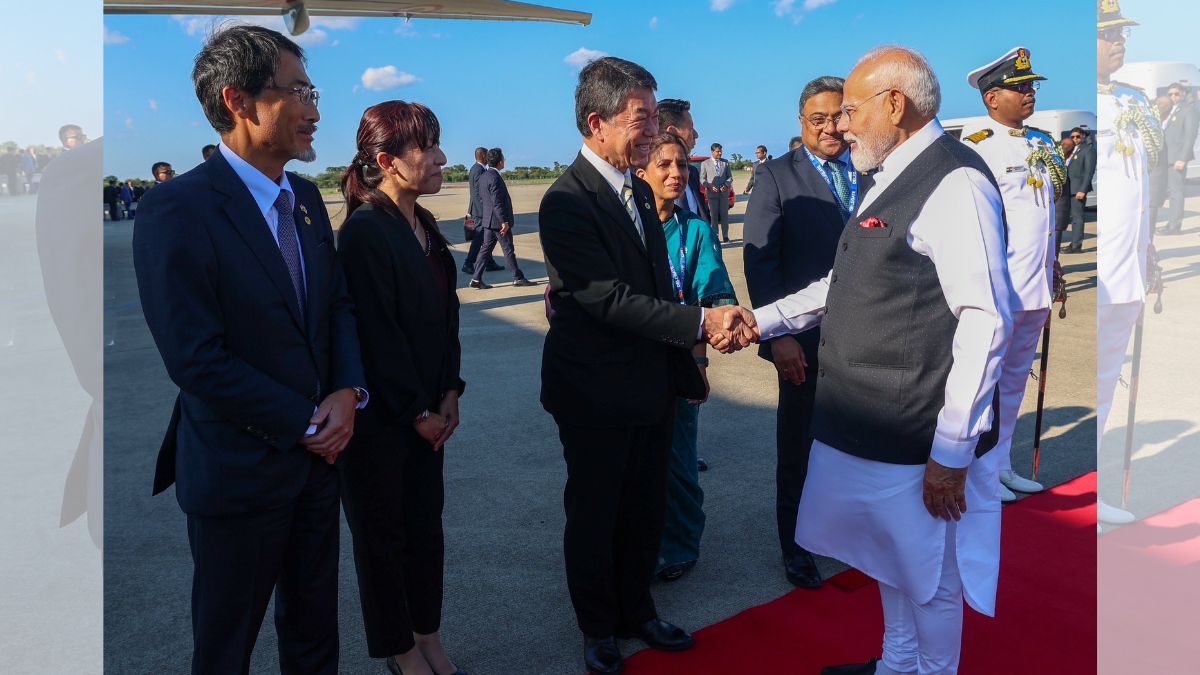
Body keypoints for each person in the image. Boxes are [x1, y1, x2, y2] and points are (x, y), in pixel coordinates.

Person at [752, 46, 1013, 674]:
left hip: (917, 431)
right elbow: (845, 283)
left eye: (850, 111)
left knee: (931, 577)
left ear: (894, 104)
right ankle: (898, 665)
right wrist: (760, 320)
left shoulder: (954, 182)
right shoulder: (892, 172)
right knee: (891, 562)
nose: (842, 125)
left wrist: (951, 452)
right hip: (872, 422)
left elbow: (987, 319)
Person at [131, 25, 368, 673]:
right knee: (225, 645)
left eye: (312, 91)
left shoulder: (308, 201)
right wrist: (304, 421)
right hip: (239, 473)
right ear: (239, 101)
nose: (315, 111)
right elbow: (195, 357)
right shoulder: (176, 210)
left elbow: (336, 307)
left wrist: (348, 389)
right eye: (299, 92)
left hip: (319, 467)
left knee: (316, 635)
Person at [538, 55, 756, 675]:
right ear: (596, 121)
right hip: (596, 391)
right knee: (596, 511)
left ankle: (638, 608)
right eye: (642, 118)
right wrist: (699, 324)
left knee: (644, 507)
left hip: (651, 384)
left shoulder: (637, 188)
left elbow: (660, 286)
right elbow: (604, 298)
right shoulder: (565, 202)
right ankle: (598, 627)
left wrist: (691, 351)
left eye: (657, 115)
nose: (654, 130)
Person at [336, 100, 468, 675]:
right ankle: (398, 647)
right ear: (387, 161)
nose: (441, 158)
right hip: (383, 423)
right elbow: (375, 336)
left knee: (426, 533)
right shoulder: (366, 231)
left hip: (428, 414)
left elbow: (448, 319)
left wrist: (451, 392)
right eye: (427, 148)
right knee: (383, 539)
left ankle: (428, 633)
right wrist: (418, 410)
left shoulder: (426, 226)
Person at [744, 74, 864, 591]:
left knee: (856, 441)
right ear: (802, 123)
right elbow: (760, 260)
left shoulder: (871, 168)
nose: (831, 127)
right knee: (800, 444)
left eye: (840, 116)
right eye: (819, 119)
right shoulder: (775, 176)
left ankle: (848, 533)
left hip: (867, 339)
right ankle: (795, 544)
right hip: (804, 338)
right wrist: (778, 337)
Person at [963, 47, 1065, 503]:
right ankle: (980, 472)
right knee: (986, 383)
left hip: (1035, 282)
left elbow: (1044, 215)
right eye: (1020, 87)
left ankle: (1002, 464)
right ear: (991, 97)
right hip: (1000, 287)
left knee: (1017, 379)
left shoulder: (1041, 143)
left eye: (1032, 87)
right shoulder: (977, 147)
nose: (1030, 94)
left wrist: (1054, 263)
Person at [636, 132, 738, 582]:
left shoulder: (694, 231)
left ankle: (680, 543)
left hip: (677, 362)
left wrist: (699, 363)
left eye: (682, 165)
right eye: (664, 165)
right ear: (640, 172)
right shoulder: (626, 229)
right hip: (629, 363)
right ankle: (639, 540)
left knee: (678, 462)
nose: (676, 174)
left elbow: (712, 296)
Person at [1096, 0, 1157, 525]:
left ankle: (1097, 491)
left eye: (1122, 34)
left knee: (1110, 374)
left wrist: (1151, 248)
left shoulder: (1136, 100)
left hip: (1129, 264)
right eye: (1108, 34)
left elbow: (1147, 187)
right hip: (1099, 270)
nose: (1118, 42)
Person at [469, 147, 534, 289]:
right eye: (503, 159)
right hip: (498, 222)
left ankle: (476, 278)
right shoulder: (495, 177)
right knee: (508, 249)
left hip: (488, 221)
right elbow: (497, 202)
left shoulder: (485, 176)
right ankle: (517, 277)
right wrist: (504, 221)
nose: (504, 161)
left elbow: (483, 198)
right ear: (499, 162)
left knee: (485, 249)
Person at [658, 98, 712, 223]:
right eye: (690, 127)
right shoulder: (645, 179)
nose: (696, 134)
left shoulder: (691, 172)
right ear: (672, 132)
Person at [1157, 82, 1198, 235]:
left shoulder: (1189, 110)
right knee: (1169, 192)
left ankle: (1174, 226)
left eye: (1176, 94)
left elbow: (1190, 136)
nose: (1173, 97)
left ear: (1183, 94)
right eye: (1170, 94)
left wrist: (1183, 158)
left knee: (1176, 192)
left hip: (1177, 159)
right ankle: (1171, 222)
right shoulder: (1170, 111)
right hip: (1165, 158)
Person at [461, 147, 500, 274]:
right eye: (487, 155)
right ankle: (468, 263)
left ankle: (489, 262)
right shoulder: (478, 170)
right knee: (480, 237)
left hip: (478, 210)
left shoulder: (477, 168)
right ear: (483, 156)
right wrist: (486, 210)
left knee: (486, 237)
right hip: (479, 211)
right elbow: (478, 193)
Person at [1063, 127, 1095, 252]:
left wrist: (1083, 190)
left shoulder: (1088, 150)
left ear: (1083, 136)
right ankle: (1073, 243)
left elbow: (1089, 172)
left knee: (1077, 217)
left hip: (1078, 190)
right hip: (1068, 188)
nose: (1075, 139)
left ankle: (1076, 245)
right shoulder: (1071, 150)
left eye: (1077, 136)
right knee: (1071, 218)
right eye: (1072, 137)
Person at [699, 143, 733, 242]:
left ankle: (726, 236)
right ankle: (715, 236)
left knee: (724, 216)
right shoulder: (705, 163)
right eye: (718, 151)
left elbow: (730, 177)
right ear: (712, 152)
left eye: (721, 151)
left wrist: (726, 185)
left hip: (723, 194)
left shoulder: (725, 162)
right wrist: (709, 185)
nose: (720, 153)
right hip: (711, 194)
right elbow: (702, 178)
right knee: (713, 216)